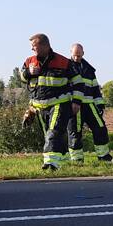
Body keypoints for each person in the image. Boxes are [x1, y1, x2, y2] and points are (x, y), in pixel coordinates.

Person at [19, 33, 80, 171]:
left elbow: (78, 82)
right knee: (49, 134)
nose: (32, 50)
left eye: (34, 46)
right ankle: (62, 158)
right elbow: (22, 78)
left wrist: (76, 102)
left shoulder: (63, 62)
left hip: (59, 104)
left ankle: (50, 163)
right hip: (38, 107)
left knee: (53, 132)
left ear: (45, 46)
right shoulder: (29, 61)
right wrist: (29, 72)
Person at [66, 43, 113, 164]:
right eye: (75, 55)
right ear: (71, 53)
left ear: (83, 53)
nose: (77, 57)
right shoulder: (66, 67)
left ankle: (104, 156)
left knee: (100, 128)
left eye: (79, 54)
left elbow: (95, 88)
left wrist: (100, 104)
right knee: (75, 133)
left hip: (90, 105)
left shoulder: (89, 69)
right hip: (74, 106)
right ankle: (77, 160)